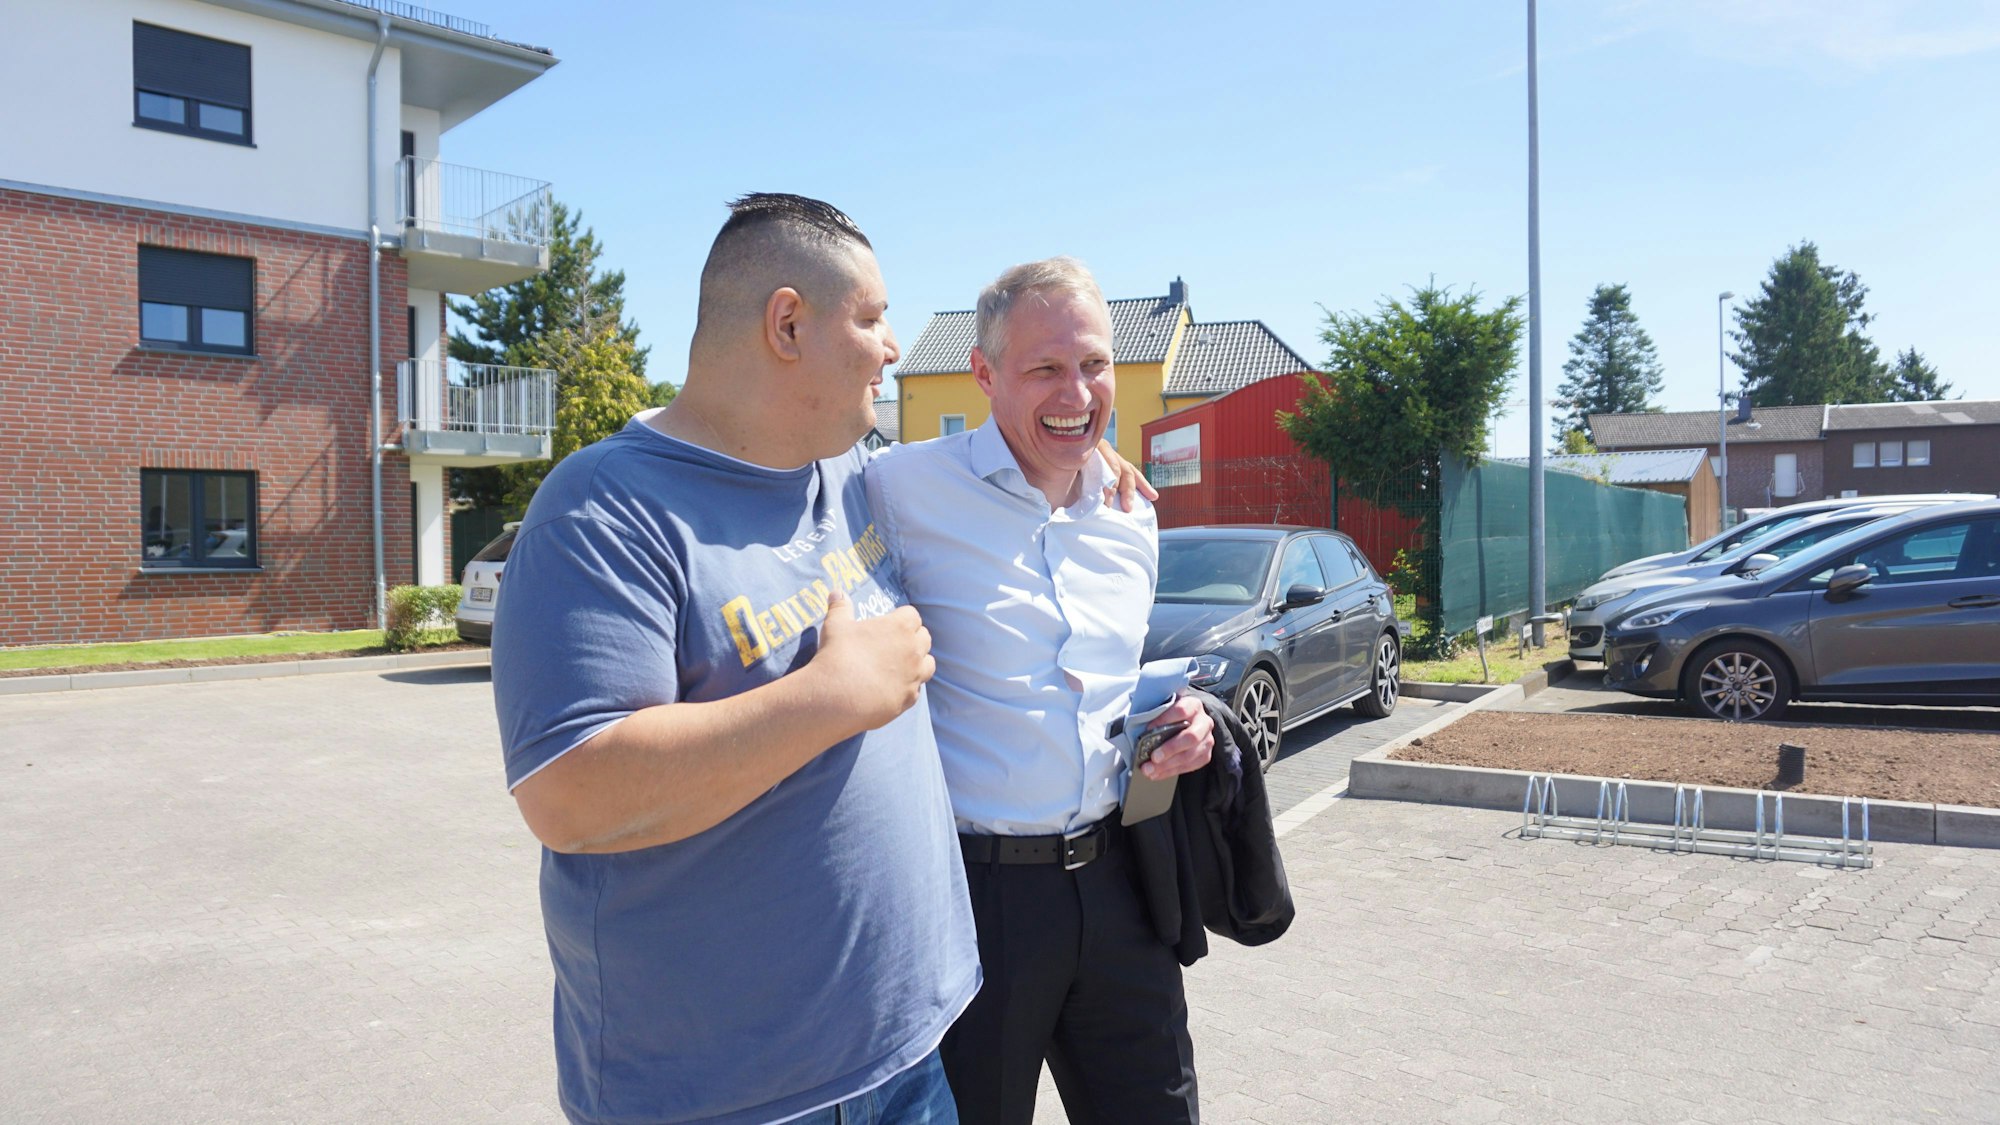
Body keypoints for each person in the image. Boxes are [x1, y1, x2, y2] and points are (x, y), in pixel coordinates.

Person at [492, 193, 979, 1125]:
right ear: (787, 323)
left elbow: (1005, 463)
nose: (893, 347)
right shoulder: (602, 510)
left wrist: (1090, 471)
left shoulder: (849, 474)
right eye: (872, 318)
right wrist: (832, 697)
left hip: (906, 1055)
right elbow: (568, 794)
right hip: (728, 1097)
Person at [864, 257, 1215, 1125]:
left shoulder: (1134, 513)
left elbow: (1118, 688)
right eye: (1045, 369)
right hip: (979, 907)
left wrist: (1184, 727)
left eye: (1093, 365)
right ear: (983, 374)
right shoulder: (898, 487)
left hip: (1120, 885)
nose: (1079, 390)